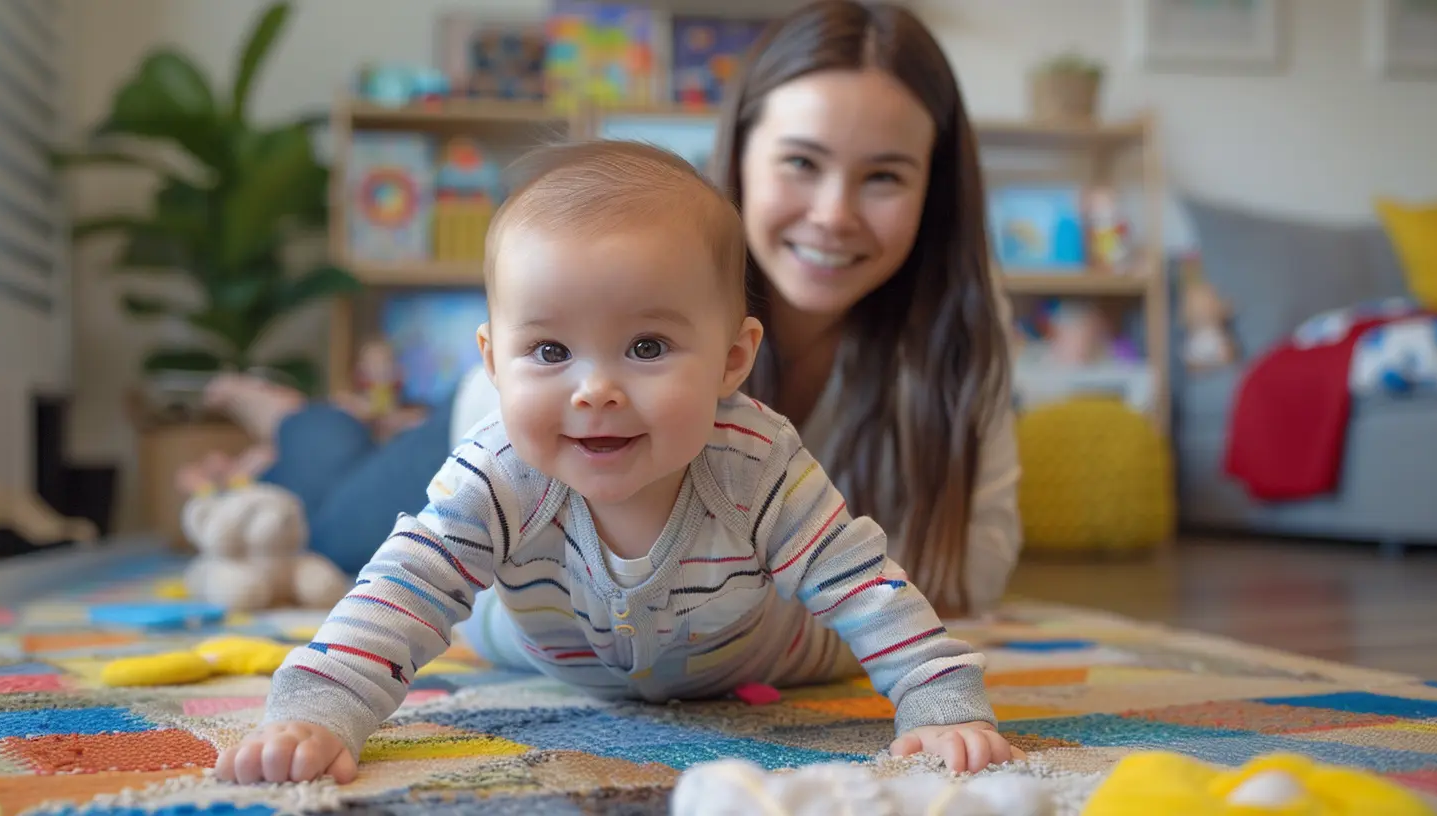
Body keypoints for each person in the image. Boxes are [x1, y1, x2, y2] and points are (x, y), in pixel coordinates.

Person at [216, 139, 1021, 786]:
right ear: (494, 364)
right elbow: (405, 588)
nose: (595, 390)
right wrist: (317, 710)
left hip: (764, 646)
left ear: (733, 359)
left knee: (840, 631)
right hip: (537, 640)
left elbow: (859, 579)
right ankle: (294, 424)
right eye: (551, 351)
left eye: (646, 347)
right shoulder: (499, 473)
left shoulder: (757, 460)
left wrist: (939, 700)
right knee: (469, 615)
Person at [197, 0, 1018, 622]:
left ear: (932, 192)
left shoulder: (960, 334)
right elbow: (505, 586)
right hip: (475, 434)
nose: (834, 214)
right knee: (332, 530)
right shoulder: (639, 279)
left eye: (884, 177)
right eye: (801, 162)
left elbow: (971, 572)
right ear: (738, 156)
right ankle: (299, 419)